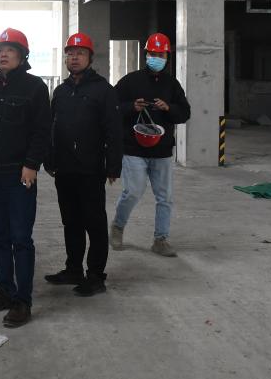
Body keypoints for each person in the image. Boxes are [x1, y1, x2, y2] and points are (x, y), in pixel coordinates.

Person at [0, 28, 50, 328]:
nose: (3, 54)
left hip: (20, 176)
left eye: (10, 50)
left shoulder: (34, 87)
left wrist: (32, 164)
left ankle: (22, 301)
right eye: (0, 50)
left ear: (22, 56)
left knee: (20, 238)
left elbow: (42, 131)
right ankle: (5, 290)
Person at [44, 32, 122, 296]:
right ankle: (73, 269)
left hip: (91, 169)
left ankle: (96, 275)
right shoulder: (61, 91)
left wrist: (113, 165)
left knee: (94, 223)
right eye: (70, 53)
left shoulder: (103, 90)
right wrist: (49, 158)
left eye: (80, 53)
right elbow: (51, 128)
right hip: (64, 168)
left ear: (90, 58)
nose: (74, 58)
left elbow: (114, 131)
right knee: (71, 222)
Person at [111, 32, 191, 257]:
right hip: (133, 149)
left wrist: (168, 108)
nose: (156, 58)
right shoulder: (130, 81)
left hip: (162, 151)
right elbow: (112, 107)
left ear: (167, 56)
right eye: (152, 54)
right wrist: (131, 107)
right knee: (133, 192)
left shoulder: (172, 85)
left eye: (161, 54)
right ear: (146, 55)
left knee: (165, 198)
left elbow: (185, 113)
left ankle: (160, 240)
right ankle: (117, 227)